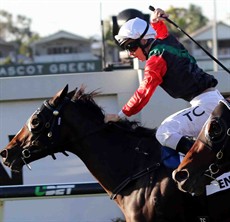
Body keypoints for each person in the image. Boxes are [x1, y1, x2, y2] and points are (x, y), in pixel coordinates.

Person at [104, 8, 224, 155]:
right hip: (212, 100)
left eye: (131, 46)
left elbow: (143, 93)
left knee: (164, 132)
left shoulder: (156, 60)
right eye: (126, 48)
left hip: (207, 105)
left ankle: (200, 163)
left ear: (143, 40)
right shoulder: (166, 41)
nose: (130, 53)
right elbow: (161, 32)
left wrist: (119, 115)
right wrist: (155, 21)